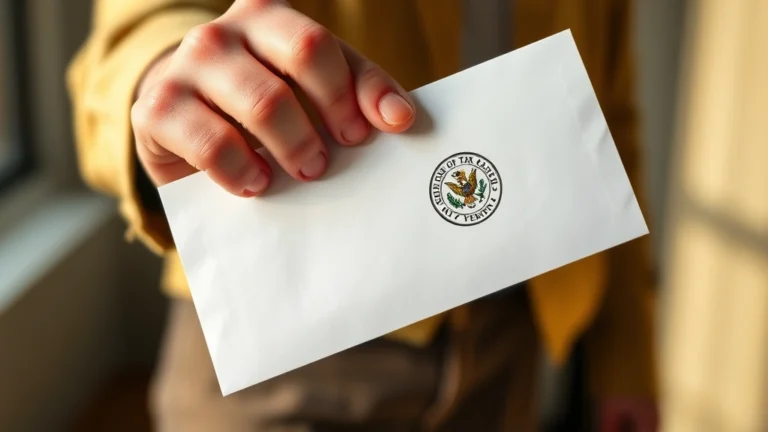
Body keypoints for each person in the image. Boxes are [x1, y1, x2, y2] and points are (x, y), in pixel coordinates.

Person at [68, 0, 658, 430]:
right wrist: (167, 77)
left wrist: (627, 354)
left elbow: (605, 114)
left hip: (513, 331)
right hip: (288, 321)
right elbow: (136, 29)